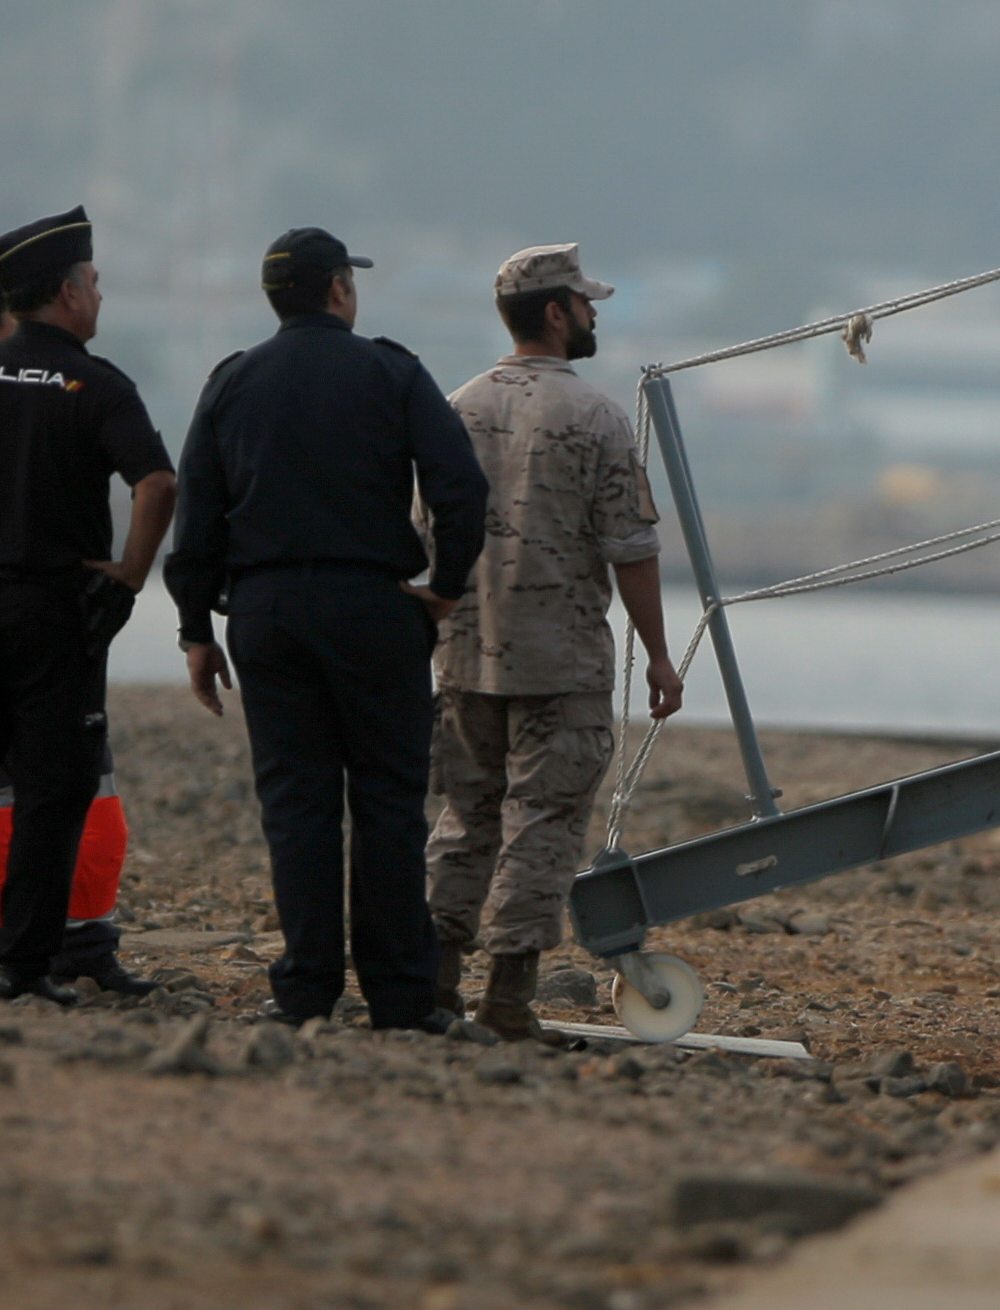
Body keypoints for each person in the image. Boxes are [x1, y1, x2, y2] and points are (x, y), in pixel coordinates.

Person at [166, 227, 487, 1033]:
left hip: (267, 613)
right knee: (386, 801)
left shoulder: (232, 381)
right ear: (340, 289)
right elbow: (460, 488)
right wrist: (445, 588)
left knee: (297, 804)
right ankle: (401, 1000)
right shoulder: (392, 370)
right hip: (372, 606)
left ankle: (305, 989)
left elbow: (197, 510)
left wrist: (195, 628)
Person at [0, 209, 176, 1001]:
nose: (99, 297)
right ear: (65, 292)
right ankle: (23, 966)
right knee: (53, 799)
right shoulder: (96, 381)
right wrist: (127, 573)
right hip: (55, 613)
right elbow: (157, 483)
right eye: (93, 283)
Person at [427, 245, 685, 1038]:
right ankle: (506, 1002)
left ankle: (430, 986)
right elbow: (631, 547)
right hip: (561, 662)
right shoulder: (595, 416)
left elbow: (422, 536)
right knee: (542, 826)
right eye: (584, 302)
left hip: (466, 656)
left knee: (464, 818)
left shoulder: (456, 406)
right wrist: (660, 656)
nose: (595, 313)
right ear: (554, 312)